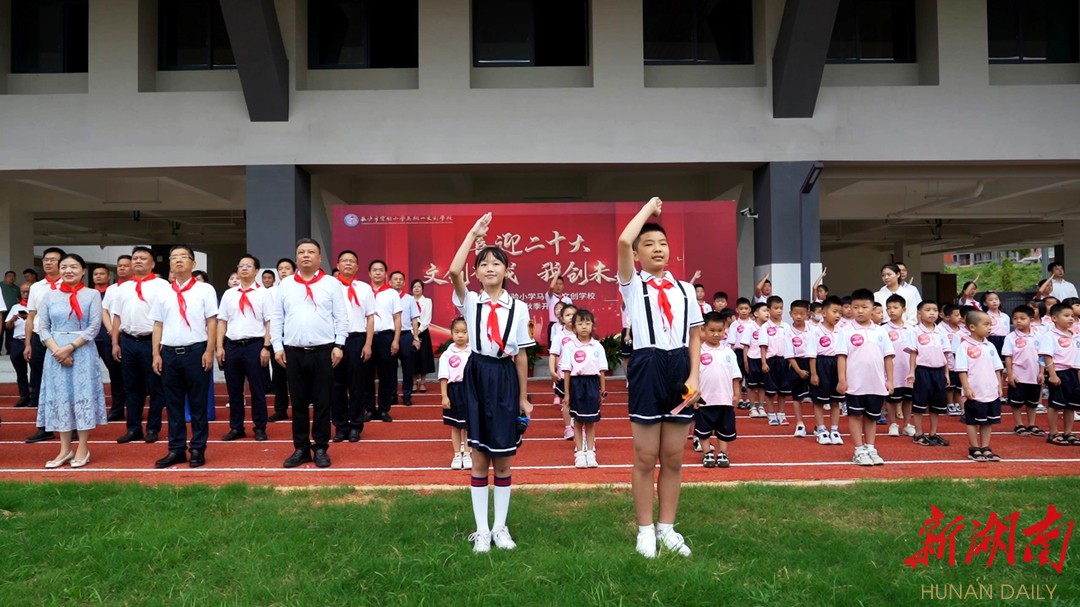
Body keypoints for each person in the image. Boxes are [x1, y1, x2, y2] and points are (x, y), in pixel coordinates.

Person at [617, 197, 702, 559]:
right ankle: (645, 530)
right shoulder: (633, 285)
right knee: (645, 455)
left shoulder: (685, 290)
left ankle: (667, 528)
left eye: (662, 243)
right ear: (637, 255)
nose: (657, 249)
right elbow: (623, 240)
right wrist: (649, 211)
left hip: (680, 366)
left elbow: (696, 334)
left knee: (673, 456)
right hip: (648, 365)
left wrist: (695, 374)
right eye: (648, 244)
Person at [448, 212, 534, 554]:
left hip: (504, 376)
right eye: (483, 264)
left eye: (496, 263)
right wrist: (474, 234)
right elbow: (454, 271)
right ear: (478, 272)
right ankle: (481, 530)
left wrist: (524, 398)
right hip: (477, 375)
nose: (489, 269)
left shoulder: (519, 308)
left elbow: (524, 356)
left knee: (504, 458)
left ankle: (501, 527)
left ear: (506, 271)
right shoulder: (471, 301)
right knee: (480, 455)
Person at [270, 239, 348, 468]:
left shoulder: (331, 283)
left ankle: (321, 447)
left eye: (311, 252)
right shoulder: (285, 285)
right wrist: (277, 346)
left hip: (324, 351)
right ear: (296, 258)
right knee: (299, 403)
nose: (306, 255)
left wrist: (339, 345)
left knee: (323, 402)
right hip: (293, 353)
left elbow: (341, 316)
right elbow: (277, 318)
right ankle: (301, 448)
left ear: (319, 258)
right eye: (301, 252)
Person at [150, 245, 218, 469]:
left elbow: (211, 322)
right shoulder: (163, 292)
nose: (178, 261)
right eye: (174, 258)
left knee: (198, 403)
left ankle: (198, 449)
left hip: (196, 351)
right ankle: (176, 449)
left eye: (183, 257)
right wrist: (156, 354)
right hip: (169, 353)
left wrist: (209, 351)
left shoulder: (205, 289)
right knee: (173, 404)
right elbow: (158, 324)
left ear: (193, 264)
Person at [37, 254, 106, 469]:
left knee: (81, 395)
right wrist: (57, 350)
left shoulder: (92, 295)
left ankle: (83, 447)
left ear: (83, 270)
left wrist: (70, 347)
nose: (68, 270)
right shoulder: (49, 296)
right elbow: (43, 327)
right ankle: (65, 449)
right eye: (64, 267)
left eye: (74, 267)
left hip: (82, 351)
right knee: (61, 398)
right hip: (55, 353)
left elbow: (94, 327)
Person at [107, 246, 170, 444]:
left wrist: (160, 345)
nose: (138, 261)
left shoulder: (162, 286)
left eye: (143, 258)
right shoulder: (123, 288)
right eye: (135, 258)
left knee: (156, 388)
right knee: (132, 389)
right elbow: (116, 317)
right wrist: (115, 342)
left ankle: (153, 428)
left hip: (151, 342)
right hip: (127, 341)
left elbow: (167, 317)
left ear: (152, 263)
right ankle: (133, 428)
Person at [216, 253, 272, 442]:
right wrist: (219, 347)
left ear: (256, 271)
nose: (244, 268)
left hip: (254, 345)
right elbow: (222, 322)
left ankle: (260, 426)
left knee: (257, 389)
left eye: (249, 266)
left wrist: (266, 346)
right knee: (234, 390)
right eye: (241, 265)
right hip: (232, 345)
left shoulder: (264, 294)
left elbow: (269, 321)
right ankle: (236, 427)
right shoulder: (229, 294)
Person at [836, 288, 894, 466]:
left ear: (873, 308)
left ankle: (870, 447)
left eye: (864, 307)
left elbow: (888, 357)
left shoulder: (881, 331)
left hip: (875, 383)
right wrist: (842, 379)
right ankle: (859, 449)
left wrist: (890, 380)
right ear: (850, 309)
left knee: (872, 417)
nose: (860, 311)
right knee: (855, 416)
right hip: (855, 383)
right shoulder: (845, 330)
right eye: (855, 307)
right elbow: (841, 356)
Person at [331, 250, 375, 443]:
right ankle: (340, 427)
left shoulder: (364, 288)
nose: (348, 264)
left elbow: (370, 317)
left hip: (357, 340)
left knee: (357, 386)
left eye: (352, 261)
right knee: (336, 386)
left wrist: (368, 344)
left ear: (357, 267)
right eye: (344, 261)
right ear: (338, 265)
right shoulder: (330, 287)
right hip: (333, 342)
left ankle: (356, 426)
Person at [23, 246, 65, 444]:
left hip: (63, 341)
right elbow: (31, 317)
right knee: (40, 383)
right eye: (46, 259)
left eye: (53, 260)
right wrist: (28, 343)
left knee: (65, 384)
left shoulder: (69, 284)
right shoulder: (36, 287)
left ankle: (70, 425)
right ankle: (44, 427)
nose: (48, 263)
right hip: (40, 340)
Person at [560, 308, 608, 469]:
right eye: (580, 324)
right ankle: (580, 453)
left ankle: (591, 453)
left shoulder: (597, 346)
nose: (584, 327)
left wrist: (603, 389)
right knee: (578, 421)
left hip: (593, 384)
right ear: (574, 327)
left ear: (592, 326)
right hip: (576, 384)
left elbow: (602, 370)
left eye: (587, 323)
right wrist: (567, 394)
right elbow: (566, 371)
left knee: (592, 421)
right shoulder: (569, 346)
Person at [954, 310, 1004, 461]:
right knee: (972, 421)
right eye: (986, 324)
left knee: (988, 421)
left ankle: (985, 447)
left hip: (991, 390)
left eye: (990, 324)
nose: (990, 328)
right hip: (975, 391)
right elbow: (962, 370)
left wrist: (999, 386)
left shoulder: (990, 346)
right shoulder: (964, 346)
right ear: (972, 327)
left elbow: (997, 368)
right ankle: (974, 448)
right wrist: (966, 387)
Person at [695, 311, 741, 468]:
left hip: (725, 399)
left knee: (725, 428)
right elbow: (693, 376)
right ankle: (707, 452)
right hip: (704, 400)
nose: (716, 334)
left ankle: (723, 453)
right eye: (712, 330)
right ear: (703, 330)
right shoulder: (697, 352)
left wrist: (736, 394)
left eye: (720, 331)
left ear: (725, 330)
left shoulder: (728, 352)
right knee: (703, 428)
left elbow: (735, 375)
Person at [907, 301, 951, 447]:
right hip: (922, 370)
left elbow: (946, 354)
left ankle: (933, 433)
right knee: (920, 403)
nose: (932, 313)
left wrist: (947, 373)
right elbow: (913, 352)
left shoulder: (941, 331)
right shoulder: (915, 331)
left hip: (938, 371)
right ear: (919, 313)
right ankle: (918, 433)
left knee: (936, 404)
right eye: (928, 310)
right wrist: (911, 372)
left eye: (935, 310)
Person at [1037, 303, 1079, 445]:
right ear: (1054, 318)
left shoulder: (1074, 335)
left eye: (1072, 316)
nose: (1070, 319)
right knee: (1055, 404)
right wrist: (1053, 374)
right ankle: (1053, 433)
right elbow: (1047, 356)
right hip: (1059, 372)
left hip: (1073, 371)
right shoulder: (1050, 336)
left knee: (1071, 405)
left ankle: (1068, 432)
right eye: (1066, 316)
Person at [366, 259, 401, 422]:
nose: (378, 272)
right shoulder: (364, 291)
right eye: (375, 270)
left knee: (386, 375)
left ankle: (384, 409)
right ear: (369, 273)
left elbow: (397, 318)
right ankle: (369, 409)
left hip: (386, 337)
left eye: (381, 270)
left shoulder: (392, 293)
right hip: (367, 338)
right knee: (366, 374)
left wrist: (396, 340)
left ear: (386, 274)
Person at [1002, 305, 1045, 437]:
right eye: (1015, 318)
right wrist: (1010, 374)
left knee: (1032, 403)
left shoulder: (1039, 336)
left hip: (1034, 375)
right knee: (1016, 402)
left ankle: (1031, 424)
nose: (1018, 321)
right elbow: (1008, 357)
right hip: (1019, 375)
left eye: (1022, 318)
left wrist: (1042, 372)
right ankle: (1019, 424)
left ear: (1031, 320)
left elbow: (1042, 356)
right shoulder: (1010, 337)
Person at [808, 296, 844, 445]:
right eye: (834, 311)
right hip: (821, 364)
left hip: (837, 364)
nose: (837, 315)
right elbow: (811, 354)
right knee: (819, 401)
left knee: (836, 401)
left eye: (840, 313)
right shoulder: (815, 331)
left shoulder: (841, 331)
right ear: (823, 313)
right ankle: (821, 429)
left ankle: (834, 430)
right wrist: (814, 373)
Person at [92, 265, 126, 422]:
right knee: (89, 377)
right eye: (96, 274)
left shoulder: (114, 291)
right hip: (90, 339)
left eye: (101, 274)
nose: (98, 276)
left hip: (108, 337)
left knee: (116, 375)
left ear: (108, 276)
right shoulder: (88, 294)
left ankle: (117, 409)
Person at [439, 317, 472, 470]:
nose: (460, 335)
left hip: (470, 390)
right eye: (457, 332)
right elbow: (443, 376)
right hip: (454, 391)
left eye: (464, 332)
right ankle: (457, 454)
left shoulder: (473, 352)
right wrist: (444, 396)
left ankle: (467, 452)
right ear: (451, 333)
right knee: (455, 425)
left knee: (468, 425)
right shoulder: (447, 354)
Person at [267, 258, 296, 423]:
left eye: (287, 268)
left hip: (295, 339)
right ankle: (281, 409)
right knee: (279, 376)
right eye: (281, 268)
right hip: (278, 338)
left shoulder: (298, 288)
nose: (284, 271)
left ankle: (301, 406)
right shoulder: (271, 291)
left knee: (297, 377)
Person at [758, 295, 791, 427]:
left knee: (783, 390)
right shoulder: (765, 327)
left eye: (781, 308)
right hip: (771, 361)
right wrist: (764, 362)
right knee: (770, 390)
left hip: (784, 360)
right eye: (776, 308)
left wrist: (789, 361)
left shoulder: (786, 327)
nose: (779, 311)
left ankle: (781, 414)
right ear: (769, 309)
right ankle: (771, 414)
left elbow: (790, 345)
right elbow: (763, 346)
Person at [390, 270, 421, 407]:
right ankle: (391, 395)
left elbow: (414, 319)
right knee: (390, 367)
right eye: (395, 279)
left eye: (400, 279)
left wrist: (416, 337)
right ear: (390, 282)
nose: (398, 281)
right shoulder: (386, 297)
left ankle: (407, 395)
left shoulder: (409, 299)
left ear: (403, 282)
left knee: (408, 367)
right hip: (389, 335)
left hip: (406, 336)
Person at [884, 295, 913, 437]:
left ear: (904, 309)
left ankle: (907, 424)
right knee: (891, 399)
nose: (891, 311)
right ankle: (893, 424)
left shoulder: (912, 329)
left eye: (895, 308)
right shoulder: (883, 329)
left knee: (908, 398)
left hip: (908, 369)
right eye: (888, 308)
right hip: (893, 370)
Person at [547, 302, 577, 440]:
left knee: (579, 402)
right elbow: (553, 353)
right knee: (566, 401)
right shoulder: (559, 336)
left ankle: (579, 426)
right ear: (562, 318)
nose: (571, 317)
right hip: (564, 375)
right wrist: (552, 370)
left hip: (580, 376)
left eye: (573, 314)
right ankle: (568, 428)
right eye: (567, 315)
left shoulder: (583, 333)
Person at [783, 299, 813, 437]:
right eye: (796, 313)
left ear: (808, 314)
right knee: (797, 397)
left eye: (802, 314)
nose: (799, 316)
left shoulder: (813, 330)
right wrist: (799, 371)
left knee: (816, 396)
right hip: (797, 365)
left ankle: (819, 425)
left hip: (812, 362)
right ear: (790, 314)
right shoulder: (788, 332)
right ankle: (800, 423)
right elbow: (789, 355)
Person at [740, 302, 768, 418]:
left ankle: (761, 406)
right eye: (764, 310)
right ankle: (752, 407)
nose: (767, 313)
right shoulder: (750, 327)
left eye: (768, 311)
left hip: (765, 359)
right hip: (752, 358)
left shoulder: (768, 327)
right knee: (751, 385)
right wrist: (746, 361)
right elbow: (746, 345)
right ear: (756, 314)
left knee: (762, 385)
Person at [6, 282, 32, 407]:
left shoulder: (37, 307)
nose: (26, 294)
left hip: (32, 341)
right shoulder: (15, 307)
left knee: (36, 371)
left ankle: (35, 396)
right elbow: (7, 326)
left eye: (28, 291)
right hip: (17, 341)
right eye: (23, 292)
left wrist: (29, 317)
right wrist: (12, 319)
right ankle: (24, 396)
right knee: (20, 372)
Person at [727, 298, 752, 410]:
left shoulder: (753, 324)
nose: (743, 311)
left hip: (751, 352)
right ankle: (740, 399)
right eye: (741, 309)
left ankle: (749, 400)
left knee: (750, 376)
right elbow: (731, 341)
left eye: (746, 308)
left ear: (750, 310)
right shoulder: (734, 325)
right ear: (737, 310)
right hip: (738, 352)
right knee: (739, 376)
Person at [411, 279, 436, 392]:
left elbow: (427, 318)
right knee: (412, 357)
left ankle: (422, 382)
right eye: (414, 287)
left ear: (422, 289)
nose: (416, 288)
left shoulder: (427, 301)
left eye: (419, 286)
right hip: (410, 330)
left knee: (423, 357)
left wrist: (419, 330)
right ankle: (413, 382)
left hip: (423, 331)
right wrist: (412, 331)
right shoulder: (408, 300)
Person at [941, 304, 964, 416]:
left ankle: (958, 403)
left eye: (960, 314)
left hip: (960, 360)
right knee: (950, 384)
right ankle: (949, 403)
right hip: (949, 360)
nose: (959, 317)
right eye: (956, 315)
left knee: (959, 384)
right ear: (947, 317)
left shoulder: (963, 330)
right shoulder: (942, 329)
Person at [545, 274, 573, 347]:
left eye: (560, 284)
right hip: (553, 324)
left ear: (563, 286)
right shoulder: (550, 297)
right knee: (553, 347)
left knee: (566, 346)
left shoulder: (567, 299)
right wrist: (557, 274)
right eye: (556, 284)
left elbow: (572, 313)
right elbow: (551, 287)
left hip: (565, 325)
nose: (558, 286)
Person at [984, 292, 1009, 356]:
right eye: (991, 300)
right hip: (992, 339)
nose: (994, 301)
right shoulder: (985, 316)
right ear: (985, 303)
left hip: (1005, 339)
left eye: (996, 299)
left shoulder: (1005, 316)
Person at [1, 270, 19, 354]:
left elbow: (20, 298)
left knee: (10, 333)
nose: (11, 278)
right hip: (1, 312)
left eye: (13, 276)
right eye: (9, 276)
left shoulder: (16, 288)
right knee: (0, 331)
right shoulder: (0, 286)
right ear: (5, 277)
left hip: (11, 313)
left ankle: (9, 351)